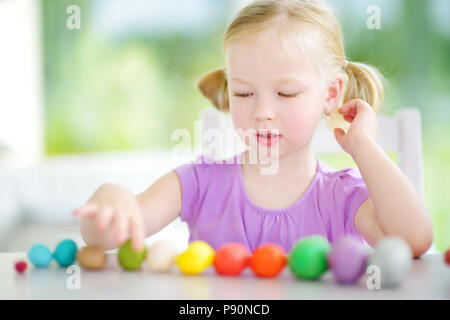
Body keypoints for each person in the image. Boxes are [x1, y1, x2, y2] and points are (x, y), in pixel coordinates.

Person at [73, 0, 433, 258]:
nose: (262, 111)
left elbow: (415, 239)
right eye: (244, 92)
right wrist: (110, 201)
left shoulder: (340, 197)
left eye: (285, 93)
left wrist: (363, 146)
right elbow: (106, 236)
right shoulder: (199, 183)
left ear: (331, 93)